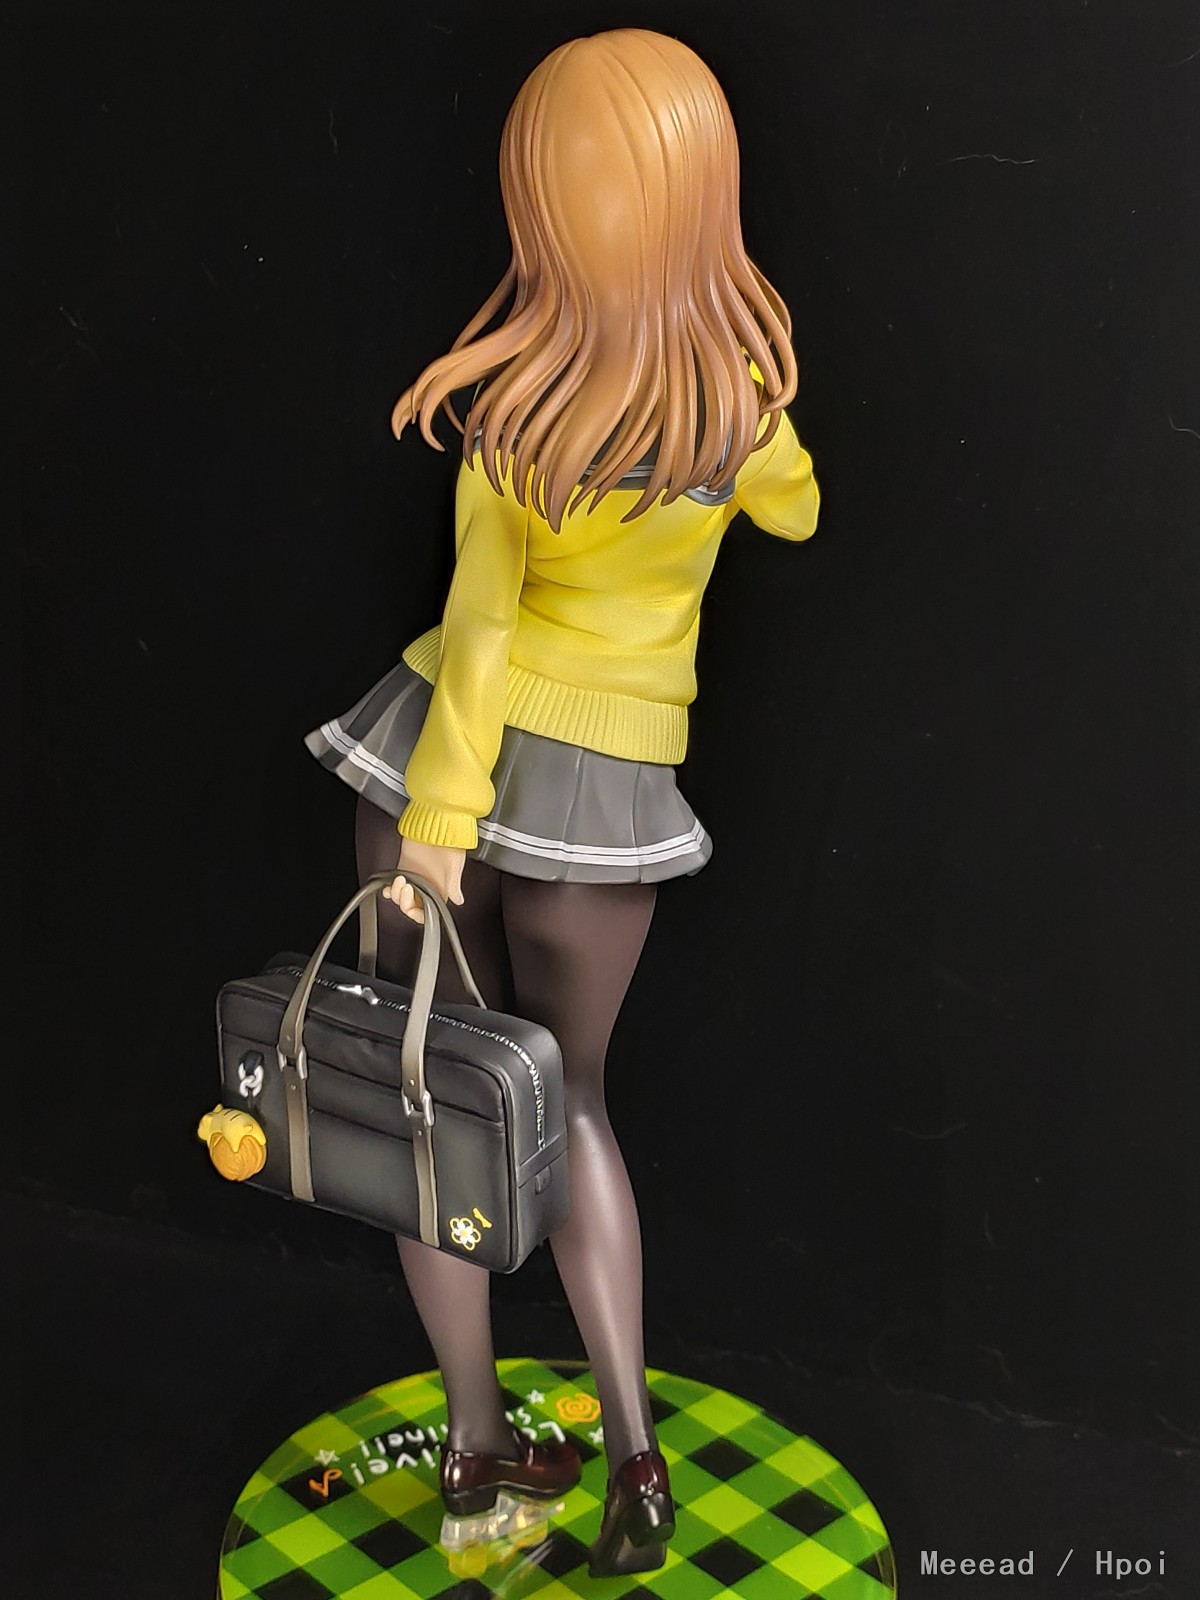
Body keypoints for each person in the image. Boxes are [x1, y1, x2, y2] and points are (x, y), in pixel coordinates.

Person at [304, 27, 820, 1577]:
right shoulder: (734, 413)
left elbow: (479, 639)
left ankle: (478, 1452)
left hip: (449, 776)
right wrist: (740, 435)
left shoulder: (518, 423)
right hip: (608, 803)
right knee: (573, 1103)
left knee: (433, 1104)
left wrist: (440, 824)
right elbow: (798, 510)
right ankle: (636, 1461)